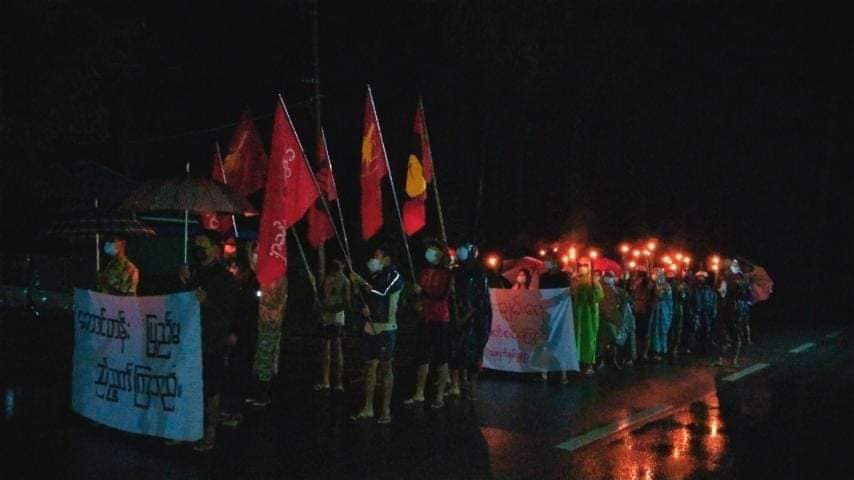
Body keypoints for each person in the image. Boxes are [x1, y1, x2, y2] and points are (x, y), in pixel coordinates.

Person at [177, 231, 239, 452]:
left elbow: (229, 311)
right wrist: (184, 281)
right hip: (191, 336)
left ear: (214, 248)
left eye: (203, 244)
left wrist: (207, 303)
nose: (198, 249)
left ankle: (209, 432)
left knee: (211, 386)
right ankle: (186, 429)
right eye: (196, 244)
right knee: (189, 384)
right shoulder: (195, 273)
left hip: (212, 338)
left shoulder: (225, 277)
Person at [349, 246, 403, 424]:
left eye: (377, 256)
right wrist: (358, 292)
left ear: (387, 259)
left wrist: (362, 282)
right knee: (370, 367)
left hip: (386, 328)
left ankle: (386, 410)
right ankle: (368, 407)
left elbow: (381, 292)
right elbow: (364, 298)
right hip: (370, 327)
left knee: (386, 367)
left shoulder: (394, 276)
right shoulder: (374, 276)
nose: (374, 259)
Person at [404, 241, 454, 409]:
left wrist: (423, 292)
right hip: (424, 318)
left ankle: (439, 395)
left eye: (433, 250)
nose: (429, 252)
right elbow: (419, 295)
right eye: (429, 250)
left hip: (440, 318)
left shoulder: (447, 273)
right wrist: (416, 300)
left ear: (440, 253)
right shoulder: (424, 271)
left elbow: (442, 295)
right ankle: (419, 393)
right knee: (422, 356)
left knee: (441, 357)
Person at [220, 242, 259, 429]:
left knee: (239, 371)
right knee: (229, 372)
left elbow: (246, 311)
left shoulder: (250, 282)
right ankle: (227, 407)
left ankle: (235, 410)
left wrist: (235, 331)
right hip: (230, 332)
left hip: (244, 335)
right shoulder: (233, 281)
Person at [452, 241, 493, 400]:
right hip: (459, 315)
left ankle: (472, 387)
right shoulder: (457, 272)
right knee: (457, 350)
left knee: (475, 352)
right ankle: (457, 383)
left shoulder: (479, 273)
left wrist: (468, 315)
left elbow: (481, 299)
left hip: (476, 319)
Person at [314, 259, 351, 392]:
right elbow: (322, 297)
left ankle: (338, 382)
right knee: (327, 349)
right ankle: (326, 381)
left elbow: (346, 303)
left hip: (336, 317)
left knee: (336, 348)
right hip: (327, 317)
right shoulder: (327, 278)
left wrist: (330, 308)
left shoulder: (344, 281)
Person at [538, 257, 572, 383]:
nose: (545, 263)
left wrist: (554, 301)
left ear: (555, 263)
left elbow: (566, 293)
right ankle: (544, 371)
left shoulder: (563, 277)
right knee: (546, 342)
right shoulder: (543, 277)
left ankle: (563, 373)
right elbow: (541, 293)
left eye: (548, 261)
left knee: (561, 342)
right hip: (547, 312)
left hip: (561, 313)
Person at [716, 259, 751, 367]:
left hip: (735, 310)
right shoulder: (723, 279)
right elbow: (720, 292)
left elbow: (745, 292)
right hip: (725, 309)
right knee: (723, 334)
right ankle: (720, 359)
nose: (727, 271)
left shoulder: (740, 279)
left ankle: (734, 360)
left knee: (735, 334)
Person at [572, 258, 604, 375]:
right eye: (580, 265)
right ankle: (577, 361)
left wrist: (591, 294)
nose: (582, 267)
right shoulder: (575, 280)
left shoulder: (593, 281)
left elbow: (600, 296)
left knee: (589, 338)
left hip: (589, 314)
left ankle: (589, 363)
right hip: (577, 313)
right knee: (577, 337)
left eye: (584, 265)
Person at [688, 270, 717, 355]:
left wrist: (713, 312)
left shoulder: (709, 290)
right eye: (699, 278)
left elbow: (713, 302)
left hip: (706, 313)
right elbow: (690, 302)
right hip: (697, 313)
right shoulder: (693, 290)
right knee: (696, 330)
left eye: (702, 278)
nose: (701, 279)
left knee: (706, 330)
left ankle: (705, 347)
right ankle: (695, 347)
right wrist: (692, 312)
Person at [647, 269, 674, 361]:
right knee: (654, 330)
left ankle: (661, 350)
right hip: (656, 310)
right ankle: (655, 350)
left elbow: (661, 296)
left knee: (662, 330)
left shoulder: (666, 286)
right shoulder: (654, 285)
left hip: (663, 310)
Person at [630, 270, 654, 361]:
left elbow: (654, 295)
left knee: (645, 332)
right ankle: (639, 352)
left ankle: (644, 353)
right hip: (637, 309)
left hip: (645, 310)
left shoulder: (649, 284)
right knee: (638, 332)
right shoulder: (635, 283)